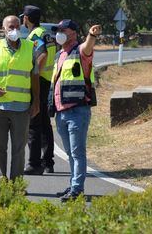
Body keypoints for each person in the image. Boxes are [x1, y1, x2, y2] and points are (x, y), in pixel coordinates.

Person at [0, 15, 39, 180]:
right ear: (3, 28)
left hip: (22, 107)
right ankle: (1, 180)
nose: (14, 30)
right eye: (11, 27)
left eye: (17, 27)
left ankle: (16, 182)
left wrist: (36, 101)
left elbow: (34, 76)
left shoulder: (30, 47)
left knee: (19, 148)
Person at [49, 19, 101, 202]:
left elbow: (88, 47)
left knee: (78, 153)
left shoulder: (80, 51)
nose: (59, 33)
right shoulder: (59, 55)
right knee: (71, 153)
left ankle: (77, 189)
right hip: (61, 112)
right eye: (58, 30)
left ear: (73, 33)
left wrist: (92, 35)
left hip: (77, 111)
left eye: (63, 30)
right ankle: (73, 185)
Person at [21, 5, 57, 175]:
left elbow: (41, 56)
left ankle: (34, 164)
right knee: (44, 123)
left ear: (26, 18)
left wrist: (34, 73)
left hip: (39, 81)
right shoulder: (47, 33)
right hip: (47, 80)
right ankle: (48, 162)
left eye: (23, 17)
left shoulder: (35, 35)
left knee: (34, 123)